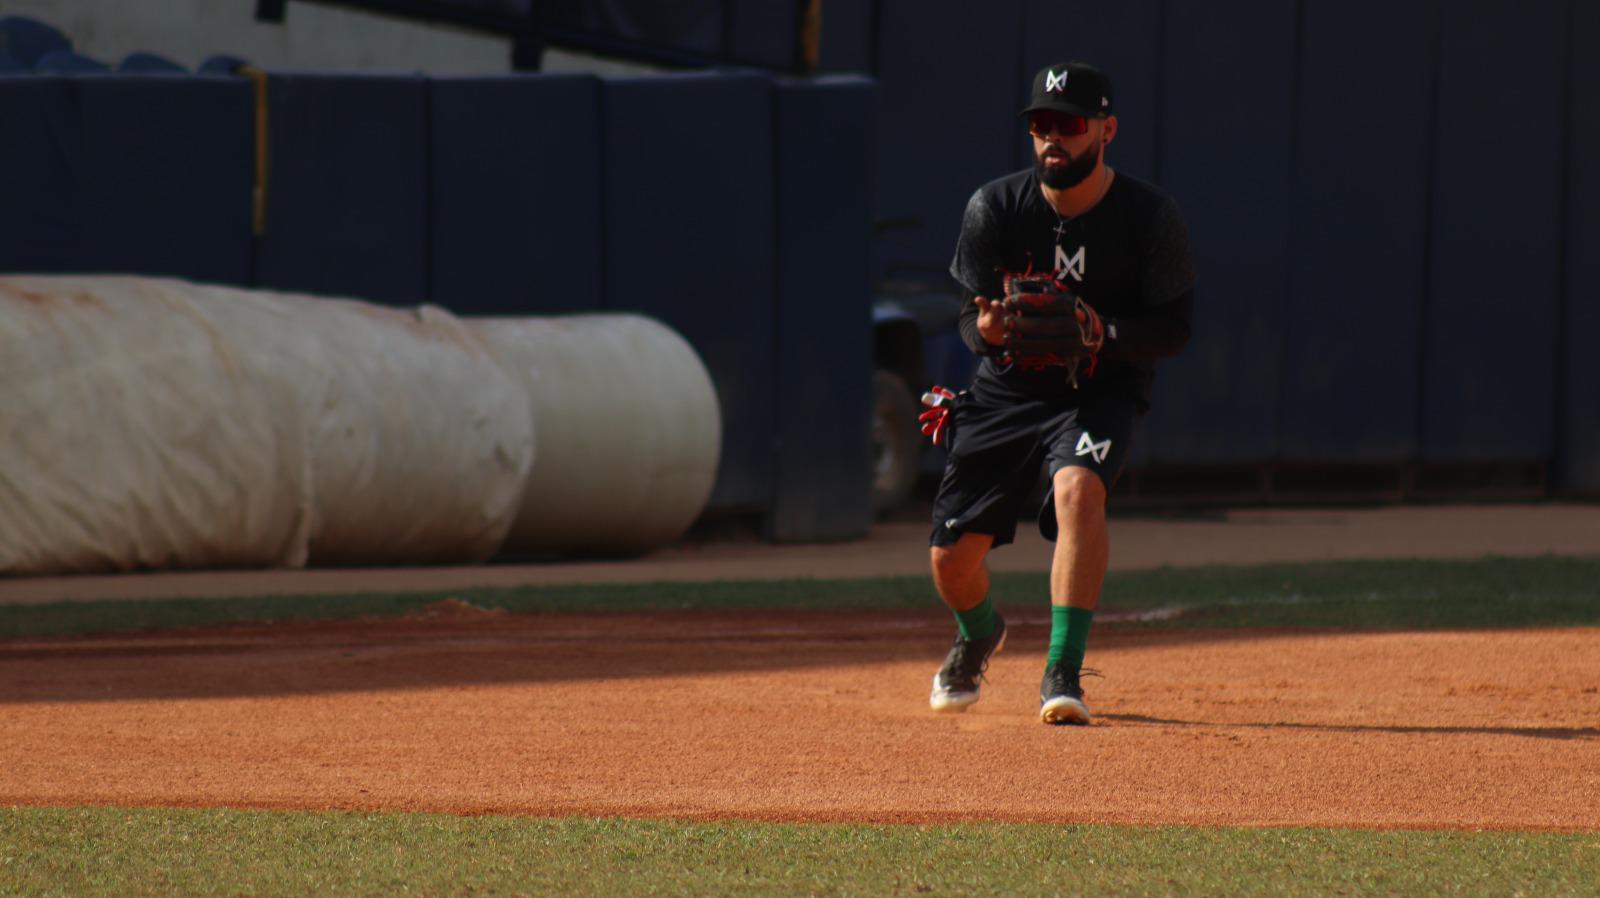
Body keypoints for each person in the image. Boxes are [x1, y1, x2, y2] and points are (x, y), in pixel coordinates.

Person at [924, 61, 1196, 725]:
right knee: (951, 561)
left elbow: (1173, 329)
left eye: (1069, 125)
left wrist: (1102, 331)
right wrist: (986, 332)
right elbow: (969, 316)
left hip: (1096, 389)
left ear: (1106, 130)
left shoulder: (1148, 217)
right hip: (1007, 391)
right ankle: (979, 632)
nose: (1053, 137)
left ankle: (1062, 670)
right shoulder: (995, 206)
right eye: (1041, 124)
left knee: (1079, 490)